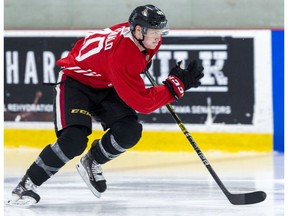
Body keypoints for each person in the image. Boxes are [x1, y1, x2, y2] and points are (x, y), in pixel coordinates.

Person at [8, 4, 204, 207]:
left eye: (160, 31)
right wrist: (174, 87)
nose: (158, 37)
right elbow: (143, 103)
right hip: (76, 82)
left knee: (129, 131)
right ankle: (26, 186)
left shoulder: (144, 39)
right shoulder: (122, 55)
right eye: (154, 32)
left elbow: (134, 62)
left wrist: (144, 64)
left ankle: (92, 161)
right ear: (138, 31)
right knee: (73, 140)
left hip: (106, 81)